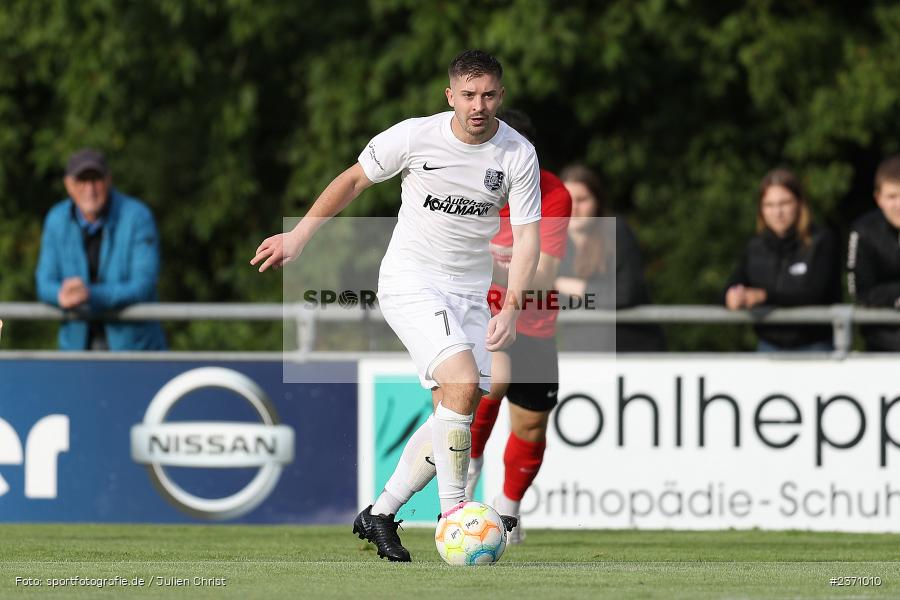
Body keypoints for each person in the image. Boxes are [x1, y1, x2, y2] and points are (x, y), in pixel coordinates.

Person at [251, 50, 541, 561]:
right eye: (468, 95)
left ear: (502, 94)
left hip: (470, 292)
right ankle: (456, 516)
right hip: (412, 280)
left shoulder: (517, 154)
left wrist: (512, 304)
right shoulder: (413, 136)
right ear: (449, 95)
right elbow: (354, 180)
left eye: (489, 94)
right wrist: (299, 235)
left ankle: (381, 512)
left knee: (456, 409)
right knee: (462, 383)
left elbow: (528, 235)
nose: (479, 105)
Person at [462, 109, 571, 544]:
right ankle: (463, 494)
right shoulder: (466, 183)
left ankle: (507, 511)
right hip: (479, 312)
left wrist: (495, 260)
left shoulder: (553, 192)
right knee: (492, 381)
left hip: (536, 320)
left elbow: (544, 275)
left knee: (531, 426)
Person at [35, 148, 166, 351]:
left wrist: (90, 295)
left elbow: (144, 284)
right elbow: (44, 282)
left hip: (134, 350)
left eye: (96, 179)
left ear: (108, 180)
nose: (90, 189)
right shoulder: (56, 219)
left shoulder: (138, 217)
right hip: (76, 349)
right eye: (82, 180)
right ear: (69, 185)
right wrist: (60, 294)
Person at [723, 168, 841, 352]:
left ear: (800, 204)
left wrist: (763, 296)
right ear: (761, 209)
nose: (777, 212)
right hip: (768, 347)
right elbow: (732, 284)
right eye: (769, 205)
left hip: (815, 347)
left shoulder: (821, 241)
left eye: (784, 203)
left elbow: (814, 294)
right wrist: (732, 297)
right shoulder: (755, 246)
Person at [555, 165, 666, 352]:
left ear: (597, 201)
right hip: (583, 355)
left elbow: (626, 294)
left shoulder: (616, 232)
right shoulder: (555, 245)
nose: (573, 208)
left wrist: (571, 286)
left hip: (632, 352)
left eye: (582, 200)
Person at [848, 155, 900, 351]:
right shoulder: (863, 231)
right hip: (880, 347)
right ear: (878, 198)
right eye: (892, 196)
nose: (899, 204)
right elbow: (860, 292)